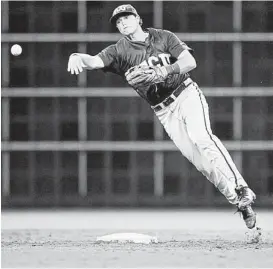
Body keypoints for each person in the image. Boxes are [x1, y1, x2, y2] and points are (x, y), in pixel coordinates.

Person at [67, 4, 257, 229]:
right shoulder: (119, 51)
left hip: (186, 94)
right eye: (118, 22)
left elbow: (189, 62)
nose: (123, 23)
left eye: (126, 18)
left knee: (202, 137)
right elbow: (95, 61)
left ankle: (242, 188)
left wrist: (163, 71)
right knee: (203, 164)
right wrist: (77, 56)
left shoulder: (163, 37)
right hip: (164, 111)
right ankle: (241, 204)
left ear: (138, 18)